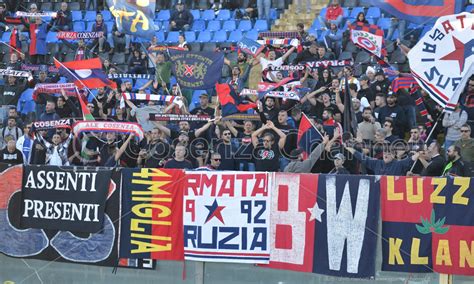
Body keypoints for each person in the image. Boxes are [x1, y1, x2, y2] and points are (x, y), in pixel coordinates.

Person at [345, 144, 419, 176]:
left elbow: (411, 159)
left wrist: (418, 154)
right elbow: (363, 158)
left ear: (393, 155)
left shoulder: (399, 164)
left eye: (388, 153)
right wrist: (351, 150)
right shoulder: (377, 163)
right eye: (384, 153)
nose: (386, 155)